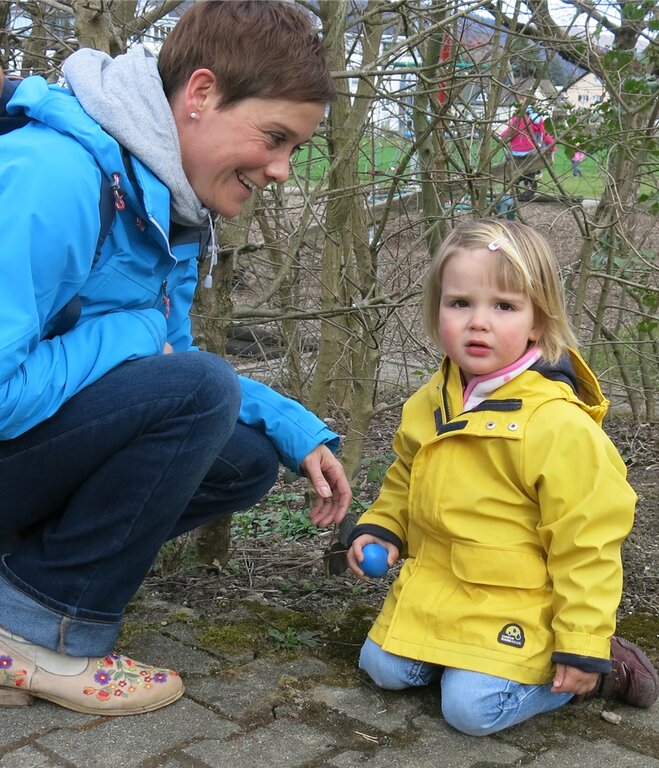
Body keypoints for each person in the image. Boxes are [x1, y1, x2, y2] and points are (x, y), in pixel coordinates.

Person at [0, 1, 352, 716]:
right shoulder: (56, 175)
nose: (281, 170)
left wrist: (289, 424)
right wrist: (129, 332)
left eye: (295, 150)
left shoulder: (163, 198)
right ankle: (38, 632)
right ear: (200, 94)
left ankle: (17, 588)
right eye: (274, 137)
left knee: (241, 457)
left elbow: (169, 364)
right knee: (198, 394)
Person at [347, 219, 658, 736]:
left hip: (520, 602)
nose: (478, 323)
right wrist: (382, 526)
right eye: (460, 303)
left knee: (471, 712)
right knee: (382, 670)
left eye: (505, 307)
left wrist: (580, 641)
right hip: (439, 589)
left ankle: (598, 667)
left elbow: (588, 542)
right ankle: (463, 660)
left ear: (538, 321)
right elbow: (404, 478)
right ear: (436, 310)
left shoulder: (556, 424)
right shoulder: (432, 400)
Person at [501, 103, 556, 190]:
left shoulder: (517, 120)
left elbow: (505, 134)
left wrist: (503, 137)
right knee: (535, 156)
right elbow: (547, 137)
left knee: (505, 157)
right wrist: (552, 149)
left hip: (515, 153)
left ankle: (504, 173)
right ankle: (534, 173)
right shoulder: (537, 123)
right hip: (531, 153)